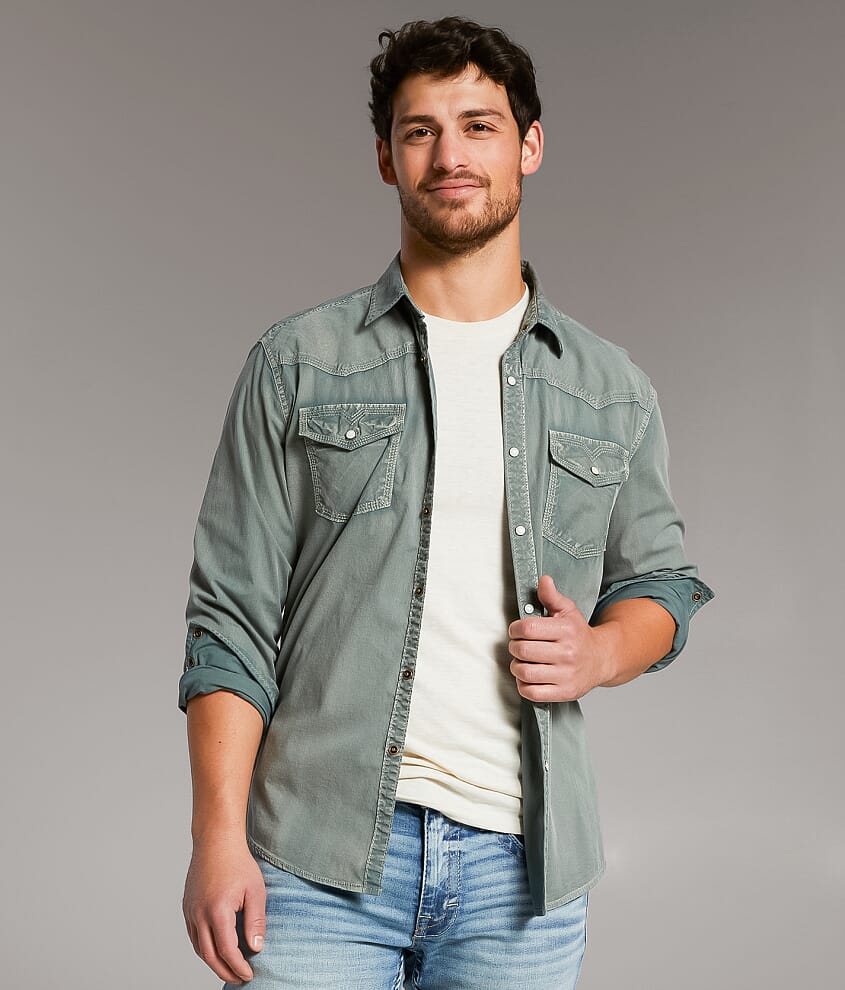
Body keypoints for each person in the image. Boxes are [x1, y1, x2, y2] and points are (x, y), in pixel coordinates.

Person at [179, 16, 713, 990]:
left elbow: (663, 586)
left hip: (523, 875)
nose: (449, 155)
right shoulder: (296, 365)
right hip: (315, 857)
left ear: (528, 146)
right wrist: (216, 838)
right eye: (419, 130)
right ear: (386, 159)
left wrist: (599, 652)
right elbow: (230, 621)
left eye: (478, 125)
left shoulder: (610, 388)